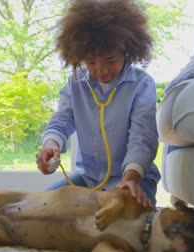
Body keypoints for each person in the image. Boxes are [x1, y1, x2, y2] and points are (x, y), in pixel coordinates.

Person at [36, 0, 160, 208]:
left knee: (126, 219)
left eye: (111, 60)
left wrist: (131, 177)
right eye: (91, 62)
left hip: (131, 178)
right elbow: (62, 120)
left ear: (127, 51)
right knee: (40, 207)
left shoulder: (142, 84)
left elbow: (143, 137)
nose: (101, 70)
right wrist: (51, 145)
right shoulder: (75, 82)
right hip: (88, 179)